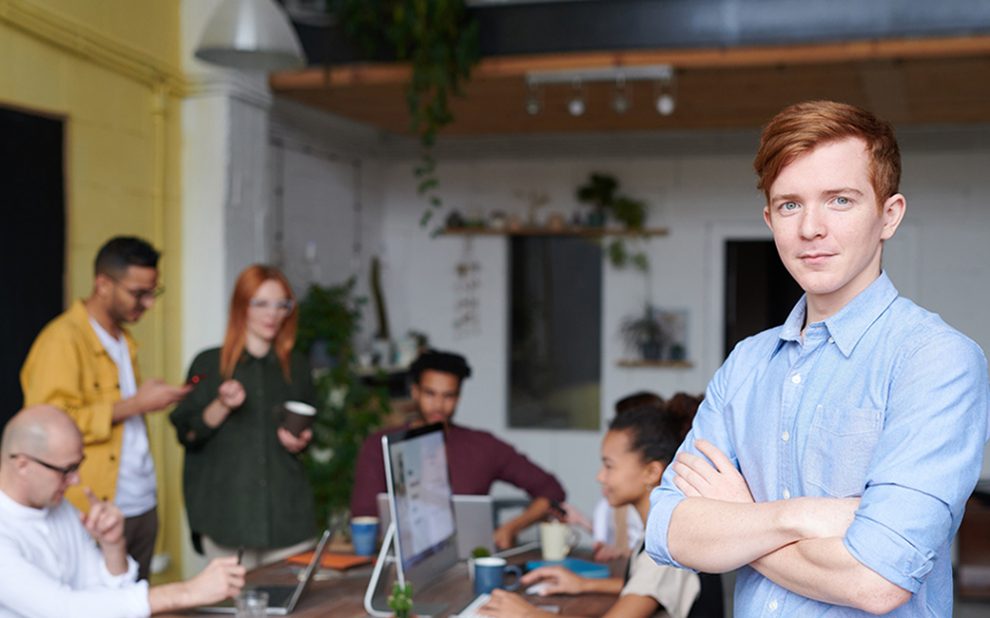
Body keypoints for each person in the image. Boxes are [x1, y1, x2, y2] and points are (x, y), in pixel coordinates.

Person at [647, 100, 990, 615]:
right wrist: (798, 517)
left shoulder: (936, 361)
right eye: (789, 205)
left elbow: (876, 582)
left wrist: (743, 519)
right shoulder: (747, 363)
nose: (811, 228)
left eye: (840, 201)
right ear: (770, 218)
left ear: (888, 216)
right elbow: (670, 531)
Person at [20, 236, 190, 580]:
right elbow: (45, 429)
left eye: (152, 293)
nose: (147, 304)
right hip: (93, 507)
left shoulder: (124, 341)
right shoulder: (62, 339)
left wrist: (142, 399)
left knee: (132, 603)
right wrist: (135, 404)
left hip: (140, 501)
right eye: (138, 293)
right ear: (103, 285)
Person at [0, 405, 243, 617]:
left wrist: (113, 546)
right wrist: (187, 592)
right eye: (67, 469)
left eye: (78, 466)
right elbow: (65, 610)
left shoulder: (60, 508)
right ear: (23, 465)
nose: (75, 480)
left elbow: (111, 597)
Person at [479, 406, 702, 618]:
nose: (600, 477)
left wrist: (527, 614)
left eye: (609, 466)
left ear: (651, 472)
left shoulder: (668, 546)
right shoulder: (660, 531)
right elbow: (645, 584)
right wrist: (583, 584)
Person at [169, 264, 316, 569]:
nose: (272, 314)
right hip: (227, 520)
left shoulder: (297, 366)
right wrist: (221, 404)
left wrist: (301, 440)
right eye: (260, 303)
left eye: (281, 305)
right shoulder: (208, 364)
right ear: (241, 306)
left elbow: (311, 431)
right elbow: (187, 433)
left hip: (287, 517)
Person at [350, 349, 566, 549]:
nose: (438, 405)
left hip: (464, 561)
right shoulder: (381, 445)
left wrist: (511, 528)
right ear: (415, 392)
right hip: (400, 562)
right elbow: (365, 518)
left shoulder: (483, 446)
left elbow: (551, 489)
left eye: (448, 396)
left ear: (458, 397)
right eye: (430, 394)